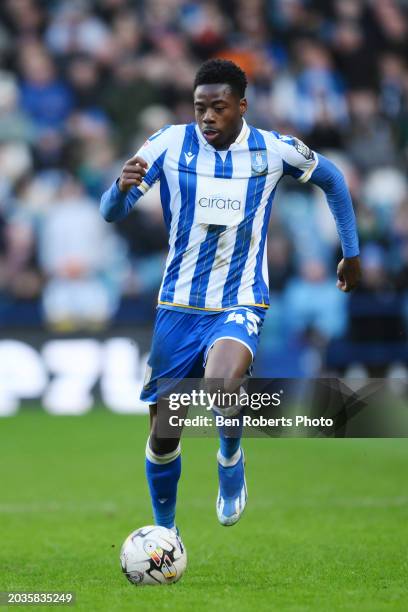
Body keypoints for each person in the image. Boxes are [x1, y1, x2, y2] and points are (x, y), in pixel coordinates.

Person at [100, 59, 361, 531]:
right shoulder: (167, 144)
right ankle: (166, 531)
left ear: (242, 106)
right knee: (163, 435)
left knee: (222, 384)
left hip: (240, 298)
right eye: (200, 107)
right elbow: (112, 212)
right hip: (177, 305)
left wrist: (351, 252)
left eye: (218, 107)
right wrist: (120, 190)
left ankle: (230, 456)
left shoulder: (273, 150)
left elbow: (333, 179)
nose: (207, 117)